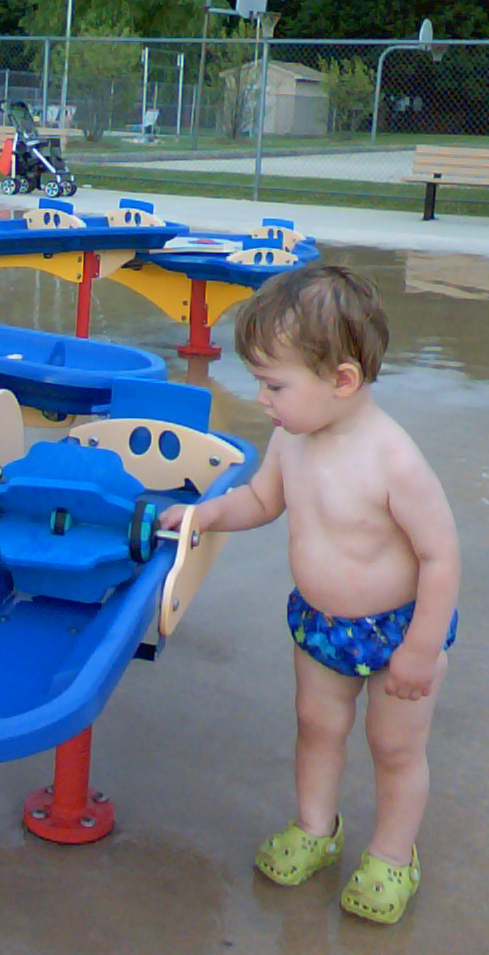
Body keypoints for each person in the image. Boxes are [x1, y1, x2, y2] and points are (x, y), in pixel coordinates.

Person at [159, 263, 459, 925]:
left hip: (399, 632)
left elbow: (440, 555)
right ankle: (316, 828)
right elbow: (263, 500)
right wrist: (206, 515)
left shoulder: (393, 460)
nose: (262, 399)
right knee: (317, 728)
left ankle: (391, 854)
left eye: (274, 385)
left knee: (395, 748)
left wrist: (421, 648)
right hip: (320, 626)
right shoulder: (294, 440)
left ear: (342, 381)